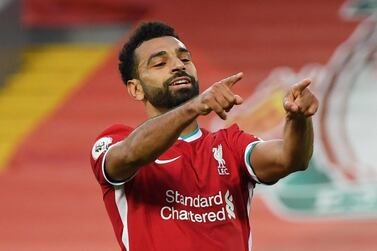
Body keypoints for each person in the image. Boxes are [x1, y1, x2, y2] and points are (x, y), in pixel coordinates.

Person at [90, 22, 318, 251]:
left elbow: (291, 158)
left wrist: (298, 120)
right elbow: (129, 154)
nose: (178, 66)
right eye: (160, 63)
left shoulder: (230, 145)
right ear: (136, 89)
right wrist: (194, 106)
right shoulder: (115, 141)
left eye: (185, 59)